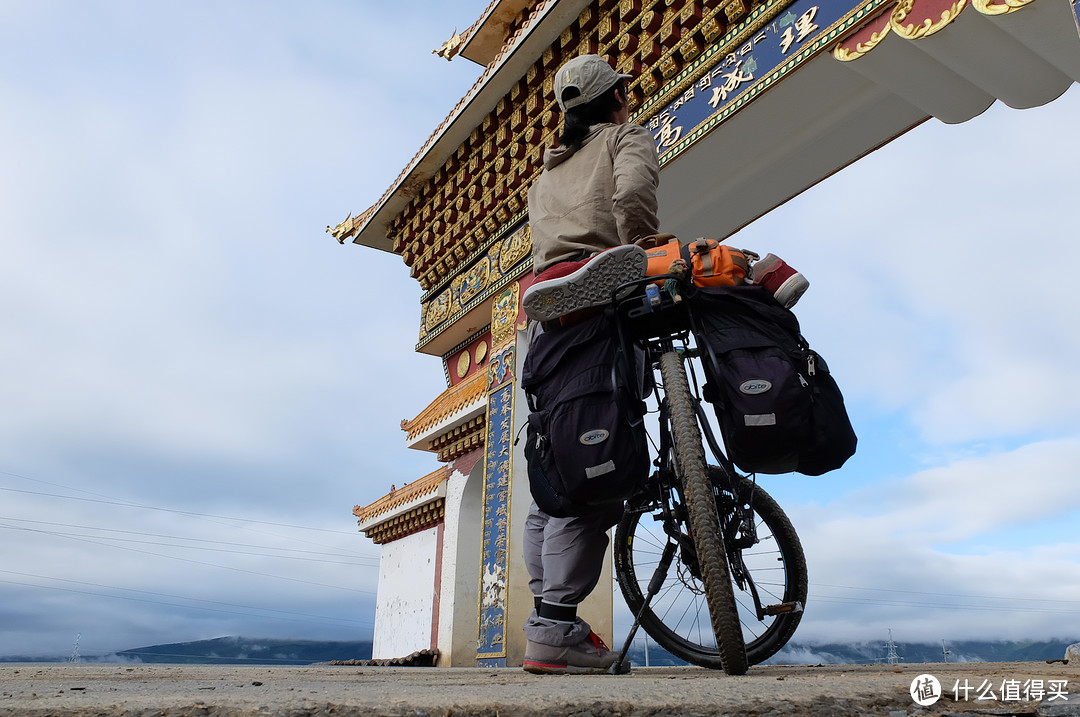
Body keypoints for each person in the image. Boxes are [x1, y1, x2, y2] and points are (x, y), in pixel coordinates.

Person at [519, 54, 661, 675]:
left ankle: (547, 616)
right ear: (617, 100)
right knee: (600, 460)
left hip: (546, 317)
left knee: (557, 457)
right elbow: (632, 191)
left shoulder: (543, 177)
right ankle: (555, 627)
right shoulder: (624, 137)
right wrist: (642, 241)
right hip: (602, 298)